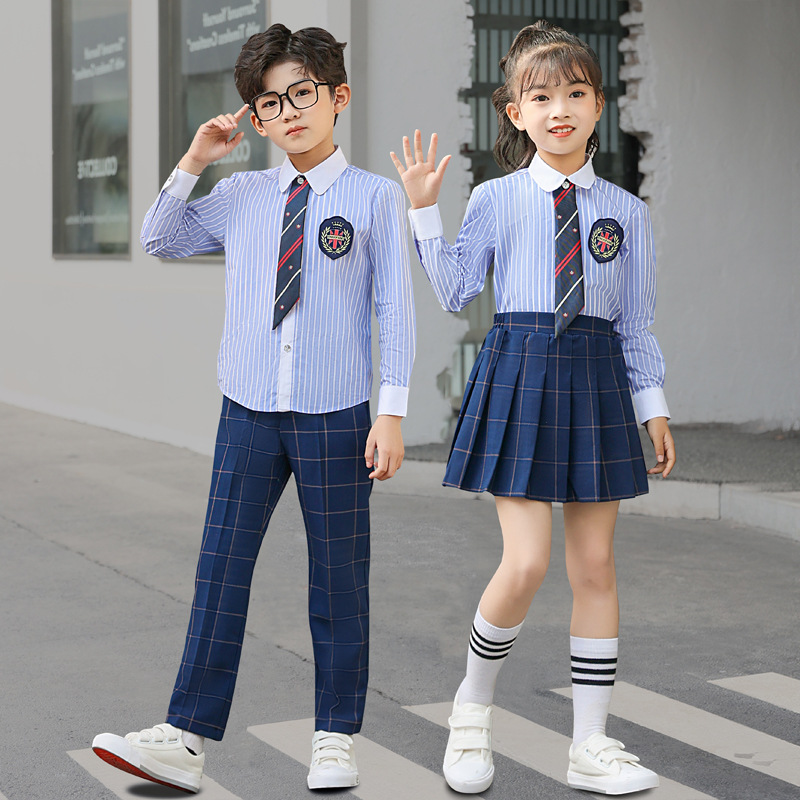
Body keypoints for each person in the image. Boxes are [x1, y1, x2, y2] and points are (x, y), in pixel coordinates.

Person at [92, 24, 415, 794]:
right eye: (268, 104)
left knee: (339, 578)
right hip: (247, 411)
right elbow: (160, 240)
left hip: (339, 415)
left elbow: (395, 312)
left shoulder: (375, 199)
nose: (288, 111)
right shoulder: (240, 196)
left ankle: (335, 736)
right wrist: (196, 160)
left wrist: (392, 414)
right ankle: (186, 737)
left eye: (301, 93)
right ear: (257, 120)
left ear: (337, 96)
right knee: (220, 571)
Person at [391, 20, 675, 796]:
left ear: (598, 105)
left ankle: (590, 744)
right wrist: (424, 212)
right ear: (513, 113)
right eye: (541, 96)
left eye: (575, 94)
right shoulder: (494, 198)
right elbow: (455, 291)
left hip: (596, 376)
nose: (559, 110)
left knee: (595, 565)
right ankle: (471, 714)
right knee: (526, 561)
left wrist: (654, 408)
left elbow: (636, 322)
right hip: (518, 368)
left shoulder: (628, 211)